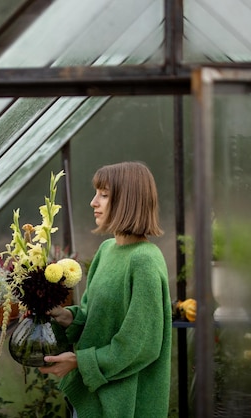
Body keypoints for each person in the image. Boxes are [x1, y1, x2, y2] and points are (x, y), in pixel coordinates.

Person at [40, 161, 172, 418]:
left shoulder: (144, 260)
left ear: (128, 201)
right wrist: (65, 316)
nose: (93, 202)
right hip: (95, 394)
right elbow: (94, 316)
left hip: (123, 403)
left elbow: (140, 346)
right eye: (96, 193)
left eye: (104, 194)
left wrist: (79, 361)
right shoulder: (107, 250)